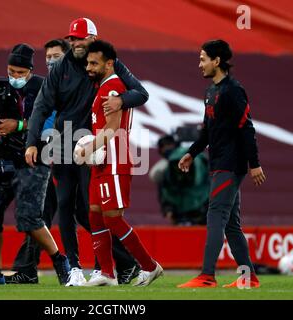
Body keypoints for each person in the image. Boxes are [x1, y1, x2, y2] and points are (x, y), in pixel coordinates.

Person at [25, 17, 146, 286]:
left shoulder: (105, 63)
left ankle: (111, 267)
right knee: (66, 204)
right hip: (65, 143)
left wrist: (120, 100)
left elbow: (141, 94)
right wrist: (32, 142)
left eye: (80, 38)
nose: (75, 43)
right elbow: (42, 105)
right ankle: (76, 268)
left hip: (94, 147)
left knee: (91, 211)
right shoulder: (61, 68)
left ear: (93, 38)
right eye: (72, 39)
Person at [0, 43, 69, 285]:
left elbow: (54, 119)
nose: (14, 77)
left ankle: (60, 260)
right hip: (2, 156)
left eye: (19, 73)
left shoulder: (45, 87)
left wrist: (20, 125)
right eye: (11, 71)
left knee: (29, 217)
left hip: (35, 156)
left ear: (30, 71)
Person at [177, 40, 266, 289]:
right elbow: (207, 131)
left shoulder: (233, 91)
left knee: (215, 215)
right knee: (230, 223)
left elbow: (246, 128)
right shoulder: (211, 91)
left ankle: (207, 275)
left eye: (203, 58)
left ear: (217, 61)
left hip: (231, 164)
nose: (200, 63)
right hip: (218, 162)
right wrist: (191, 153)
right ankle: (249, 277)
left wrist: (254, 163)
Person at [74, 40, 163, 286]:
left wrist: (86, 148)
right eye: (88, 62)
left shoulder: (112, 88)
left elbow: (112, 129)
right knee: (94, 215)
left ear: (109, 63)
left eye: (94, 63)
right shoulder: (103, 86)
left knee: (112, 217)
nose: (89, 67)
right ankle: (106, 273)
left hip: (114, 159)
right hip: (102, 161)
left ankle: (150, 266)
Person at [5, 39, 70, 284]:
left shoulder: (52, 86)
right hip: (38, 159)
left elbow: (49, 123)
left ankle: (119, 264)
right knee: (35, 215)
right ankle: (28, 269)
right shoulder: (22, 88)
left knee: (82, 214)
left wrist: (22, 127)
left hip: (55, 157)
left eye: (57, 56)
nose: (52, 61)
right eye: (49, 57)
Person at [150, 134, 209, 225]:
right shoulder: (164, 168)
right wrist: (168, 209)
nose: (166, 148)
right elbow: (156, 177)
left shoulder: (197, 160)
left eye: (169, 145)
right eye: (163, 146)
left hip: (201, 209)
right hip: (179, 211)